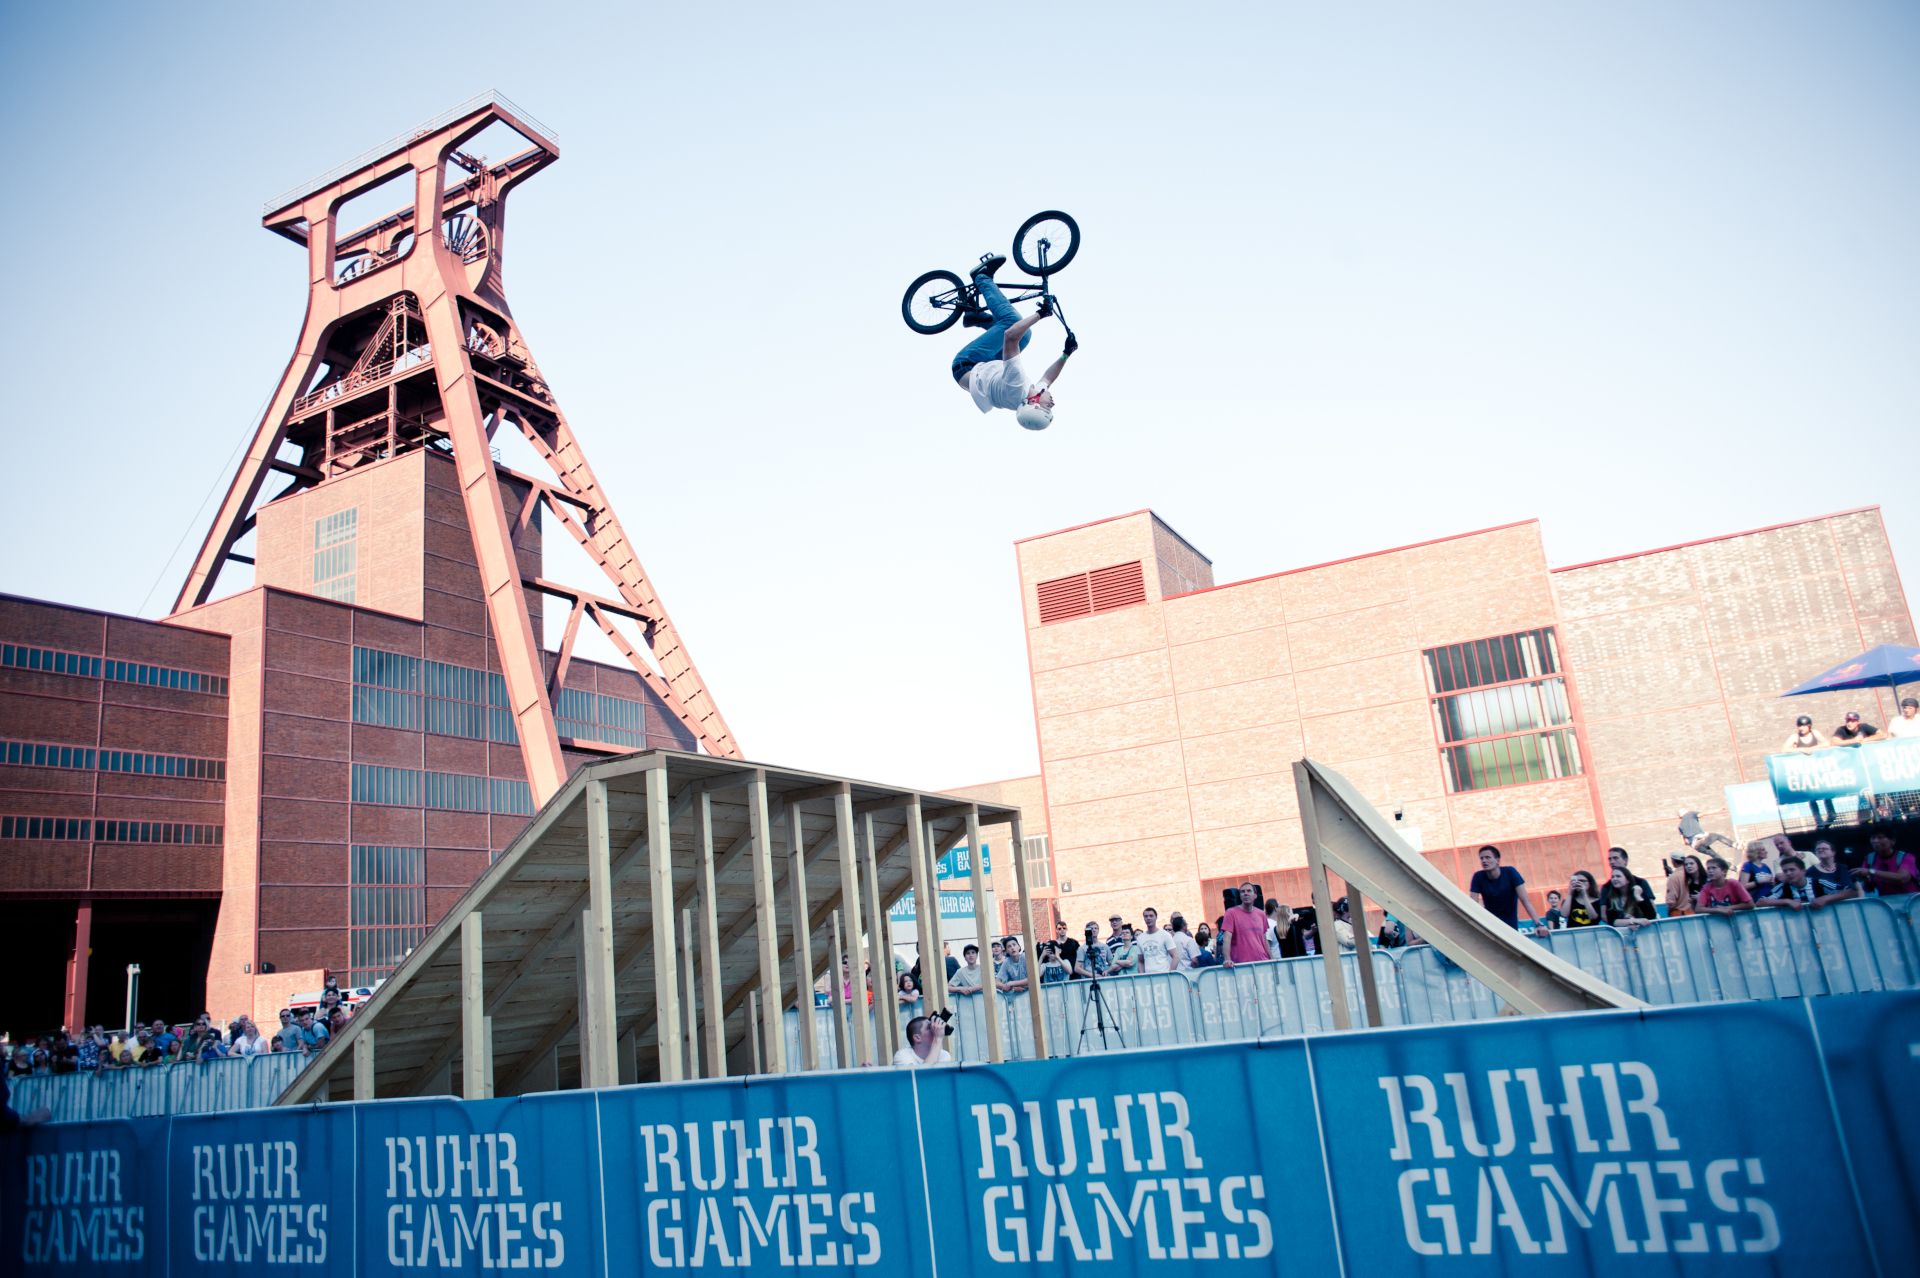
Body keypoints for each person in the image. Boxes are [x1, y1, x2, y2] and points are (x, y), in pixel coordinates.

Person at [950, 256, 1077, 428]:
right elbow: (1048, 378)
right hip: (984, 370)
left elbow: (1010, 336)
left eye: (1048, 407)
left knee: (1011, 322)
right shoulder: (1029, 394)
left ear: (1035, 402)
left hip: (966, 364)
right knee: (1024, 336)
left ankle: (982, 277)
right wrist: (1066, 353)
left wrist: (1041, 314)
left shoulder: (1015, 385)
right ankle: (976, 317)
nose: (1053, 404)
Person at [1468, 845, 1539, 930]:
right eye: (1481, 858)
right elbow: (1473, 904)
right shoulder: (1478, 877)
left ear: (1497, 860)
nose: (1484, 861)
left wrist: (1538, 924)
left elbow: (1525, 901)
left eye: (1488, 858)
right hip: (1490, 925)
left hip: (1510, 925)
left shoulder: (1510, 872)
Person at [1857, 830, 1919, 896]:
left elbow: (1903, 878)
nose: (1875, 841)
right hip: (1886, 902)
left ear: (1893, 841)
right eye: (1873, 838)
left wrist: (1871, 872)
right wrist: (1862, 880)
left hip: (1911, 901)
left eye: (1880, 837)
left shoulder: (1906, 857)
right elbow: (1868, 887)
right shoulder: (1869, 859)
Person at [1221, 884, 1271, 965]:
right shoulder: (1231, 913)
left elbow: (1264, 940)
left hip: (1263, 962)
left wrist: (1271, 959)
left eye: (1249, 891)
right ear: (1240, 896)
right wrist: (1227, 959)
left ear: (1255, 895)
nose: (1245, 893)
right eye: (1242, 892)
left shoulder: (1261, 914)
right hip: (1242, 965)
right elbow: (1227, 939)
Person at [1806, 840, 1863, 907]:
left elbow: (1858, 888)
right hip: (1828, 910)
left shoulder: (1844, 868)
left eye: (1824, 848)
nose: (1820, 850)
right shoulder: (1811, 871)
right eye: (1818, 849)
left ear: (1833, 852)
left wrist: (1862, 903)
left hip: (1851, 907)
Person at [1135, 907, 1178, 974]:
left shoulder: (1165, 934)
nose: (1148, 918)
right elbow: (1140, 961)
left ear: (1156, 917)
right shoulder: (1140, 938)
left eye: (1151, 916)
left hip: (1164, 975)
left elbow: (1175, 956)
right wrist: (1142, 975)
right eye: (1146, 916)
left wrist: (1170, 974)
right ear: (1144, 918)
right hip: (1148, 977)